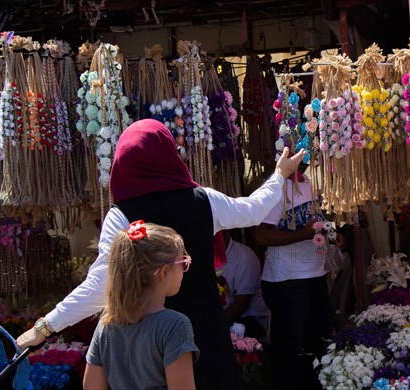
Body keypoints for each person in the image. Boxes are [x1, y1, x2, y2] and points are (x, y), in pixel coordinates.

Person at [18, 119, 306, 390]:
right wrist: (279, 175)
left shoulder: (121, 217)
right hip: (205, 337)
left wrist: (45, 327)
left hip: (148, 346)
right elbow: (253, 211)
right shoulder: (202, 200)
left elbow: (99, 286)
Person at [84, 222, 198, 389]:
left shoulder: (106, 325)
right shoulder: (174, 325)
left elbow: (91, 387)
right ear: (164, 272)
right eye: (183, 262)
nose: (185, 267)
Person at [255, 164, 332, 389]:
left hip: (315, 276)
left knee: (319, 345)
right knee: (290, 351)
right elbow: (260, 235)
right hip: (286, 282)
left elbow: (315, 224)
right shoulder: (276, 187)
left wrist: (333, 234)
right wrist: (302, 235)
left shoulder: (309, 183)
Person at [217, 230, 269, 339]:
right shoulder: (205, 255)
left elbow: (241, 304)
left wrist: (213, 325)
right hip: (220, 317)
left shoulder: (244, 256)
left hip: (249, 319)